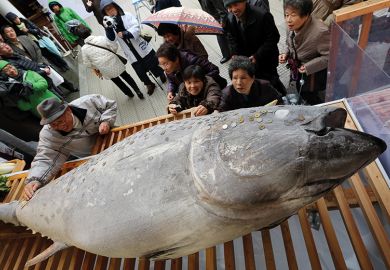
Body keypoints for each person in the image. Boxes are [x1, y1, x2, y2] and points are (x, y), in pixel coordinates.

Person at [23, 95, 117, 200]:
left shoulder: (88, 102)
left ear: (68, 110)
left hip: (114, 136)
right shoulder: (48, 135)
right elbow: (45, 158)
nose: (59, 126)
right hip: (95, 156)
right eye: (53, 124)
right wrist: (35, 179)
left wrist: (106, 121)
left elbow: (110, 105)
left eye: (60, 121)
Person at [100, 0, 166, 96]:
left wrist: (125, 33)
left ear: (116, 6)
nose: (110, 11)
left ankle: (161, 74)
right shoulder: (109, 23)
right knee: (140, 70)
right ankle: (149, 84)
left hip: (140, 46)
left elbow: (136, 27)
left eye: (111, 8)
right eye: (107, 10)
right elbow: (111, 41)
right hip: (130, 51)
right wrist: (108, 29)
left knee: (153, 62)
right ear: (105, 13)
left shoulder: (126, 15)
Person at [223, 0, 286, 95]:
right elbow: (231, 38)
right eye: (229, 7)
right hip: (247, 61)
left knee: (272, 82)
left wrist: (257, 56)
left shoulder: (263, 15)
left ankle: (281, 96)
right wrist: (234, 53)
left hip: (266, 59)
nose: (233, 9)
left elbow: (273, 38)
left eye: (236, 4)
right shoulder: (230, 18)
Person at [279, 0, 330, 105]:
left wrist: (308, 67)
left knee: (310, 94)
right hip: (297, 67)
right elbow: (289, 42)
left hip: (312, 74)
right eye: (286, 15)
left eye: (293, 15)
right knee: (300, 89)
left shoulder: (321, 32)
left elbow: (329, 56)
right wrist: (286, 53)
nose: (288, 20)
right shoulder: (291, 25)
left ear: (306, 15)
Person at [78, 25, 144, 99]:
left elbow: (87, 64)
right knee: (126, 76)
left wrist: (96, 66)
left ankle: (129, 94)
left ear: (80, 37)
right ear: (89, 31)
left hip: (104, 68)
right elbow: (114, 46)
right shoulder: (100, 38)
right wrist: (112, 53)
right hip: (113, 61)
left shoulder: (84, 49)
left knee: (117, 81)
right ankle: (137, 91)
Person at [0, 42, 79, 95]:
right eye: (3, 47)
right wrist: (43, 72)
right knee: (55, 92)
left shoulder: (16, 53)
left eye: (5, 45)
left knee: (60, 80)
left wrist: (42, 66)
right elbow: (26, 75)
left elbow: (31, 63)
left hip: (41, 69)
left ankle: (71, 89)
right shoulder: (9, 63)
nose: (6, 47)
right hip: (38, 78)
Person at [156, 42, 227, 101]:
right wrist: (170, 91)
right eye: (161, 64)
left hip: (214, 90)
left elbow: (214, 69)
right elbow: (171, 80)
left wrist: (199, 82)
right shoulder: (169, 69)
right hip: (195, 95)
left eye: (165, 64)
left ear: (176, 59)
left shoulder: (191, 59)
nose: (164, 68)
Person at [4, 13, 69, 71]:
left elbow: (37, 30)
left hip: (39, 40)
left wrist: (28, 30)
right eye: (14, 20)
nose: (16, 20)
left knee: (52, 52)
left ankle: (64, 64)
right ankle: (60, 66)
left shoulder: (25, 21)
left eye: (16, 18)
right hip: (32, 44)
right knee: (47, 56)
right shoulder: (15, 29)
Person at [218, 56, 282, 111]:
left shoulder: (265, 86)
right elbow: (221, 111)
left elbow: (279, 101)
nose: (238, 83)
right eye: (235, 78)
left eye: (243, 78)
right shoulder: (226, 95)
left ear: (252, 78)